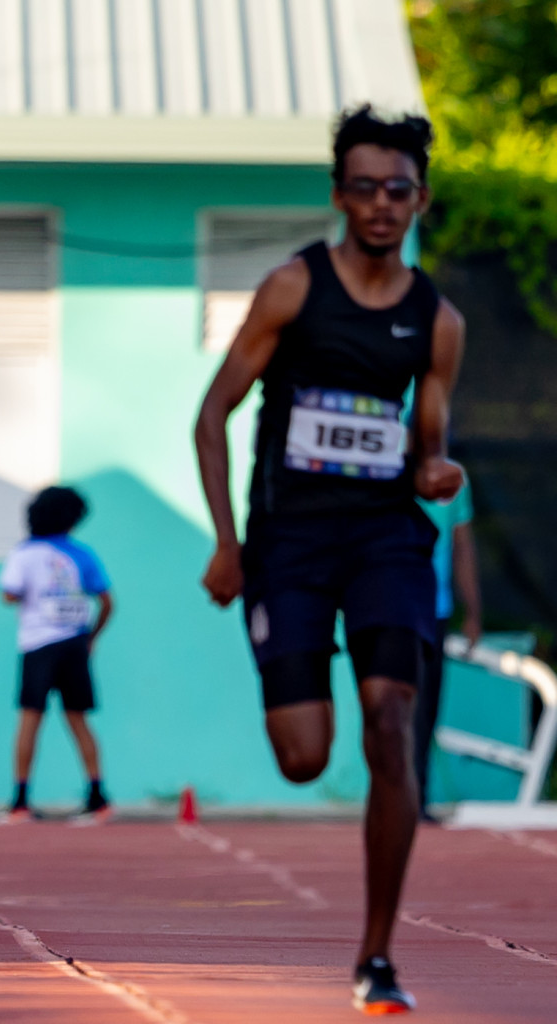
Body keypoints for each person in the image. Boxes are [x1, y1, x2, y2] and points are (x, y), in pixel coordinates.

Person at [194, 106, 464, 1014]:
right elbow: (211, 415)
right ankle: (291, 661)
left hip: (387, 539)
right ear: (340, 195)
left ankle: (378, 955)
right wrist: (230, 544)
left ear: (419, 198)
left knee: (391, 724)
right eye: (364, 187)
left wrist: (434, 467)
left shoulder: (438, 319)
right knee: (304, 758)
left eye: (398, 189)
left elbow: (428, 438)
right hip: (289, 544)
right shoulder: (292, 289)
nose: (382, 205)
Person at [0, 486, 114, 824]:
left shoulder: (25, 553)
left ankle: (20, 800)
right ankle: (98, 797)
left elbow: (8, 594)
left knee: (30, 719)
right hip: (75, 643)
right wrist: (91, 636)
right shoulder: (82, 554)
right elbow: (107, 602)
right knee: (78, 719)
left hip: (38, 643)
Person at [416, 479, 481, 823]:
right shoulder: (390, 468)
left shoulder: (455, 480)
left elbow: (463, 545)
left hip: (435, 609)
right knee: (391, 704)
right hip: (390, 606)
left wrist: (473, 611)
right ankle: (393, 792)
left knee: (425, 708)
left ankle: (416, 796)